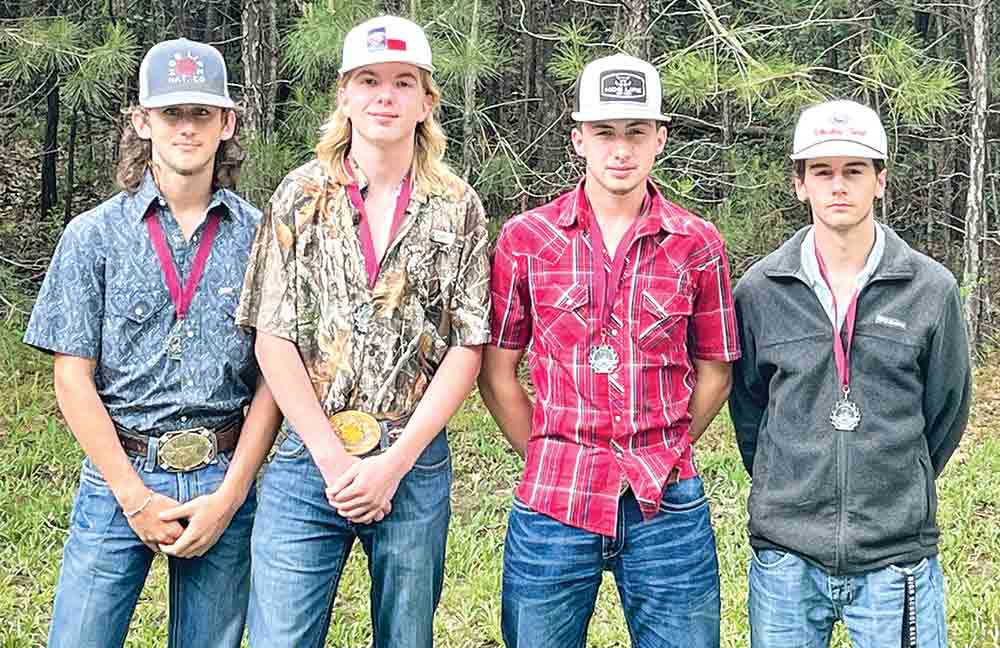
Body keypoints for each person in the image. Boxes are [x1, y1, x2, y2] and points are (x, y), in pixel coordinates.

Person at [234, 15, 491, 648]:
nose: (385, 96)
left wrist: (393, 466)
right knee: (280, 635)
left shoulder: (458, 204)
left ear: (427, 100)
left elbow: (468, 345)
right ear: (344, 94)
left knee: (407, 635)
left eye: (403, 82)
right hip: (307, 461)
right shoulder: (298, 196)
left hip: (412, 461)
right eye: (369, 80)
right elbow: (274, 336)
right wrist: (329, 456)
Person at [24, 38, 281, 648]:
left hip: (223, 475)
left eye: (201, 113)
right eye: (170, 113)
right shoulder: (93, 236)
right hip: (122, 474)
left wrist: (234, 491)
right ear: (141, 121)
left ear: (227, 122)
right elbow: (72, 378)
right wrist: (132, 496)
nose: (185, 128)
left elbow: (275, 376)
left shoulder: (262, 236)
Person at [478, 53, 739, 648]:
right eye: (604, 133)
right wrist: (549, 451)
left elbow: (716, 370)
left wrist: (662, 449)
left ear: (659, 140)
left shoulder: (697, 244)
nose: (620, 150)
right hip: (553, 503)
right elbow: (497, 373)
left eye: (635, 133)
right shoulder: (526, 240)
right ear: (578, 139)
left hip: (665, 502)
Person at [729, 99, 972, 648]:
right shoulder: (761, 290)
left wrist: (894, 480)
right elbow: (750, 412)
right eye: (823, 171)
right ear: (800, 184)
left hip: (895, 560)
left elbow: (947, 410)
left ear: (880, 181)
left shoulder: (930, 290)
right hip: (787, 558)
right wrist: (793, 485)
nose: (839, 186)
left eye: (854, 170)